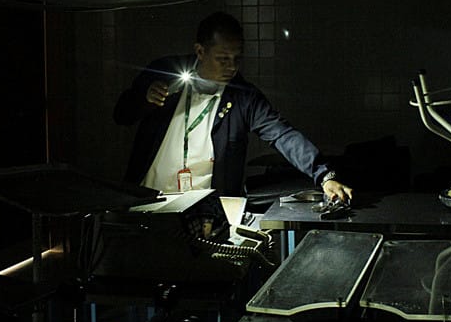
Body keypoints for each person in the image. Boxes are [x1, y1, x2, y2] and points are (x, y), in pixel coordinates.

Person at [114, 11, 352, 202]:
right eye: (223, 59)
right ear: (200, 51)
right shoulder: (167, 73)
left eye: (237, 58)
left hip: (206, 209)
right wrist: (144, 99)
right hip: (148, 199)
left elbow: (283, 134)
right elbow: (121, 115)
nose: (232, 67)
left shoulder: (244, 96)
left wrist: (324, 175)